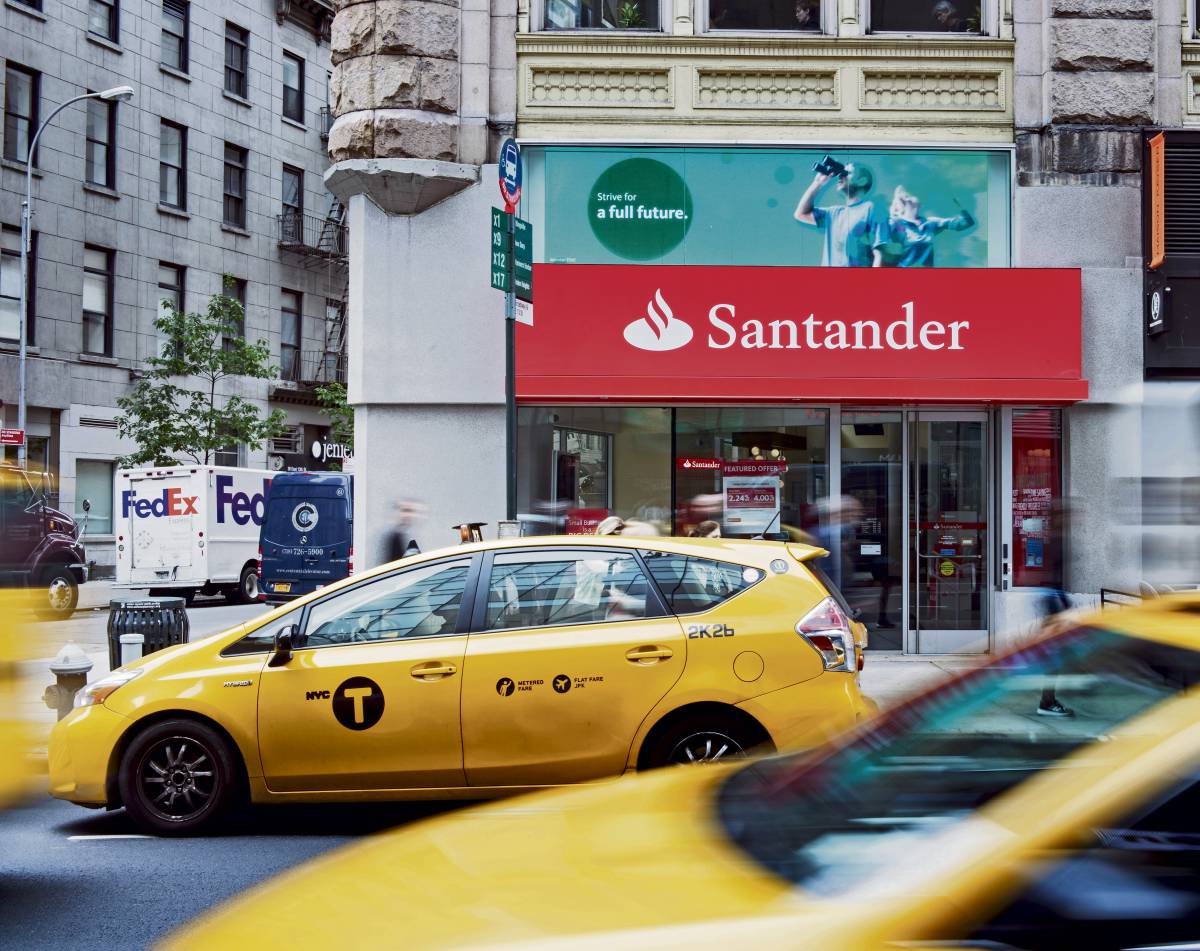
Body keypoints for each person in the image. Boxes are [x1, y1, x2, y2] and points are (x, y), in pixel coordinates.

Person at [794, 163, 885, 267]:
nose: (840, 176)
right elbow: (801, 213)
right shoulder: (834, 213)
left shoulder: (871, 209)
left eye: (847, 173)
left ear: (862, 181)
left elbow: (880, 254)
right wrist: (817, 183)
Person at [886, 186, 975, 268]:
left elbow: (966, 223)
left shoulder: (931, 223)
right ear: (904, 199)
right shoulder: (896, 224)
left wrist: (957, 203)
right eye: (911, 194)